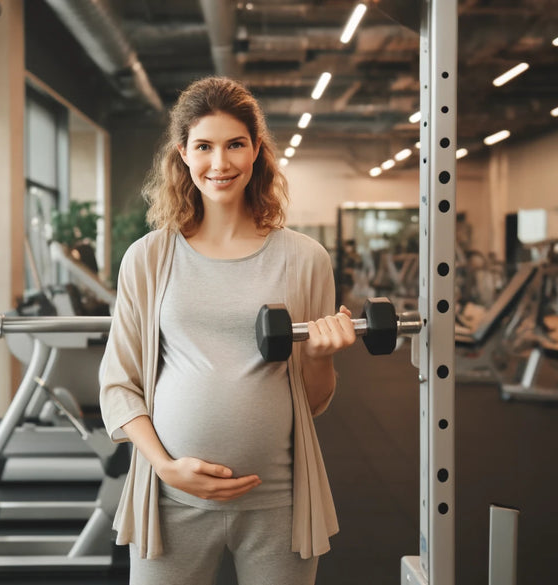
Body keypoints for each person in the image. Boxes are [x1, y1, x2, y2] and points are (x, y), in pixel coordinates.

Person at [99, 76, 356, 585]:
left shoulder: (305, 260)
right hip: (170, 500)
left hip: (277, 502)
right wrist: (164, 467)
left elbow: (315, 400)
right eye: (205, 146)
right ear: (183, 153)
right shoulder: (149, 258)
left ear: (257, 150)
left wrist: (323, 357)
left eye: (235, 144)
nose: (220, 164)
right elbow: (118, 384)